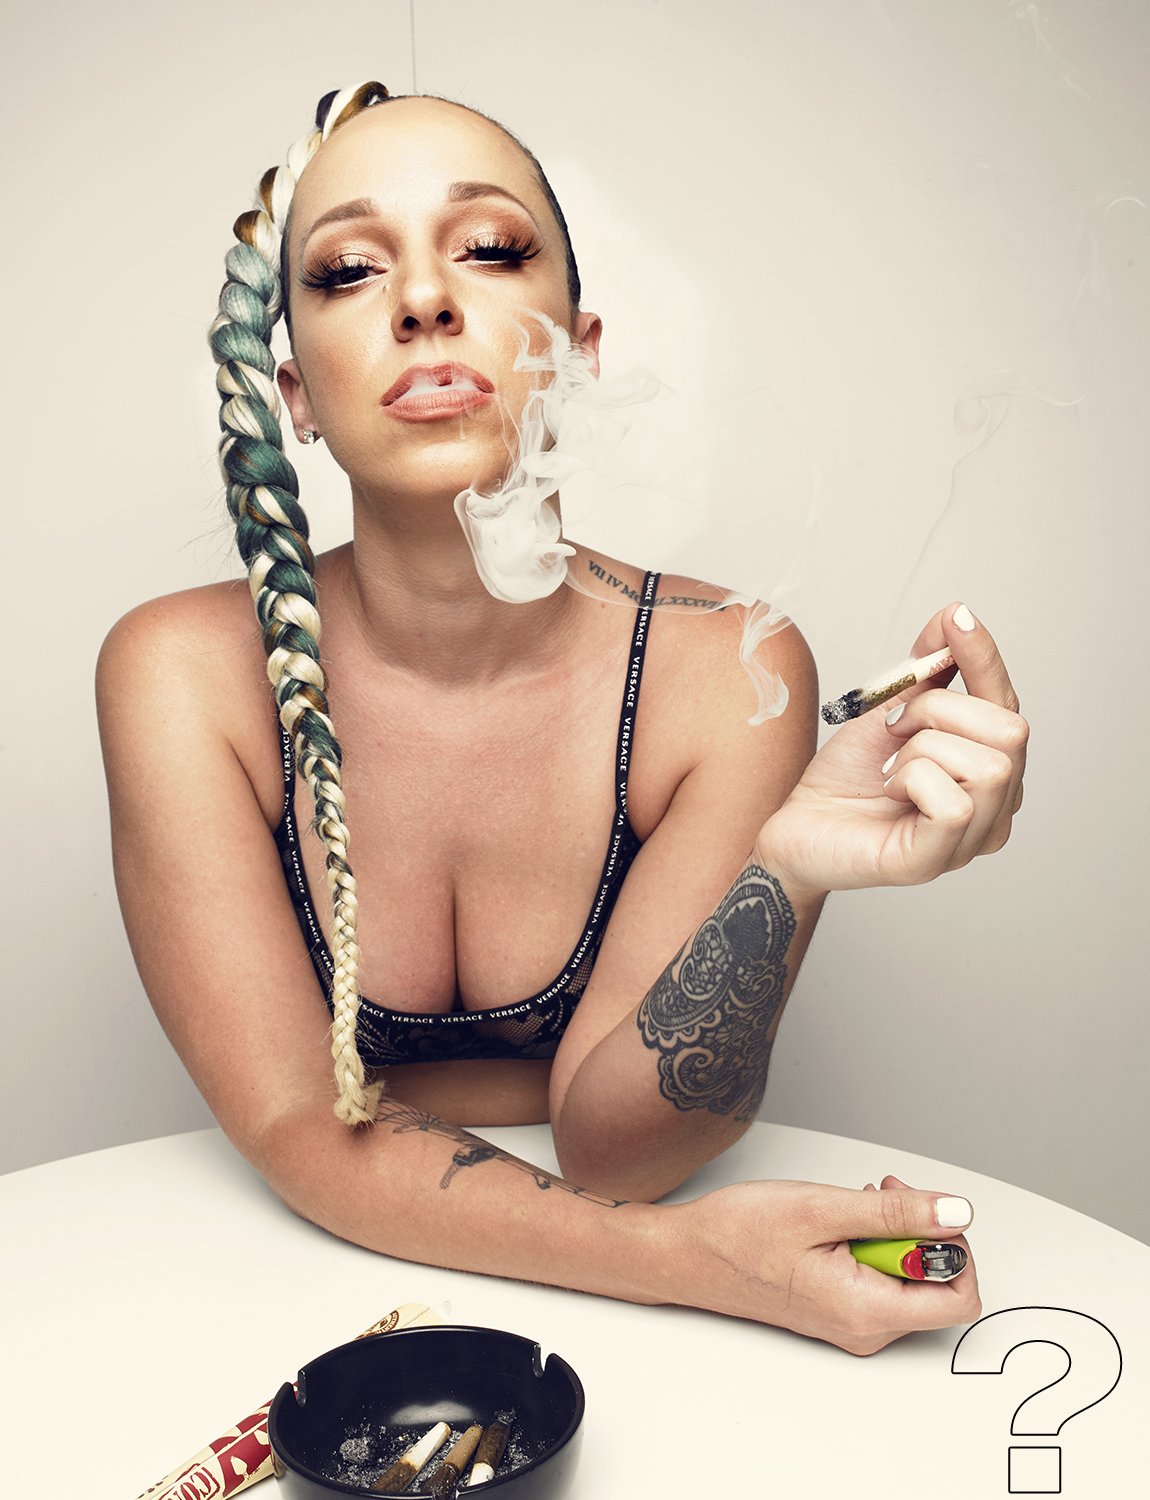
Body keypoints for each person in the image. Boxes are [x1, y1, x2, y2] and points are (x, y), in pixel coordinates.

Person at [96, 82, 1028, 1356]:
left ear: (578, 352)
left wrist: (788, 873)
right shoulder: (184, 675)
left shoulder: (723, 670)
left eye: (488, 248)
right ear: (296, 394)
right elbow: (298, 1124)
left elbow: (618, 1150)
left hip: (600, 1311)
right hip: (286, 1288)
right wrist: (701, 1265)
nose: (424, 300)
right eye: (351, 270)